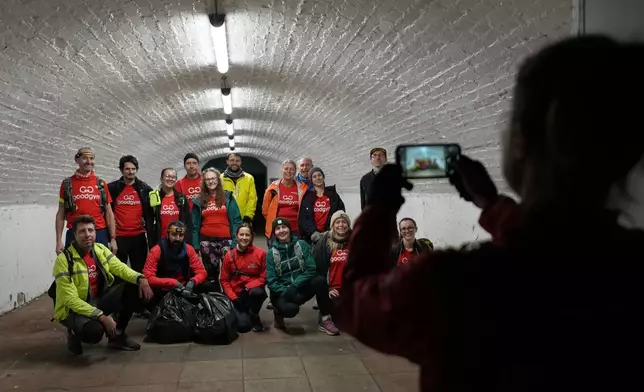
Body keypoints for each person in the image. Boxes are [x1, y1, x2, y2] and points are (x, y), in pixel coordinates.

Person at [336, 36, 644, 391]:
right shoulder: (631, 264)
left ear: (520, 144)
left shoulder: (455, 283)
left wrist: (379, 209)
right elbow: (556, 243)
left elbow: (355, 302)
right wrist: (493, 205)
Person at [52, 215, 153, 355]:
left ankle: (117, 335)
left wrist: (141, 278)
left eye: (90, 230)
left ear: (95, 232)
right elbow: (70, 300)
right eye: (82, 231)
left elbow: (120, 268)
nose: (87, 235)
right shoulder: (64, 260)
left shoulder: (99, 249)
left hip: (97, 299)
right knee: (93, 333)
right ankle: (74, 332)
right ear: (74, 235)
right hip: (74, 309)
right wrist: (102, 317)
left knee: (134, 286)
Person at [266, 217, 339, 335]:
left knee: (319, 281)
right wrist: (286, 290)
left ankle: (325, 318)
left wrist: (295, 285)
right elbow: (271, 281)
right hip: (283, 292)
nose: (281, 230)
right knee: (291, 309)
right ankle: (278, 313)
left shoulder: (302, 245)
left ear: (289, 229)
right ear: (274, 233)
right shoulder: (271, 254)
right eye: (278, 229)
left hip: (300, 287)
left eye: (284, 227)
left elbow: (311, 268)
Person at [55, 147, 117, 254]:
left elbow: (109, 213)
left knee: (101, 269)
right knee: (76, 268)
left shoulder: (101, 184)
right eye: (85, 158)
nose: (89, 161)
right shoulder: (66, 184)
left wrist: (113, 238)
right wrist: (58, 241)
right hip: (75, 234)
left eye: (92, 158)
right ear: (77, 160)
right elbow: (60, 214)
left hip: (99, 233)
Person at [191, 168, 242, 290]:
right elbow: (194, 225)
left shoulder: (227, 197)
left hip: (226, 242)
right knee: (212, 276)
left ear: (218, 180)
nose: (210, 181)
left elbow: (236, 220)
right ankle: (216, 301)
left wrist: (236, 241)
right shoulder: (199, 200)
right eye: (207, 179)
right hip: (206, 243)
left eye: (213, 178)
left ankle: (230, 301)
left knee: (230, 273)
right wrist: (195, 246)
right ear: (204, 182)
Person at [142, 220, 212, 297]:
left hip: (185, 288)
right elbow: (148, 277)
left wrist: (193, 282)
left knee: (207, 285)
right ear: (167, 235)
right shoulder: (156, 250)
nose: (177, 238)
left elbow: (202, 272)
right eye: (174, 235)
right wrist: (173, 283)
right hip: (163, 288)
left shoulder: (189, 249)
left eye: (181, 235)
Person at [220, 223, 268, 332]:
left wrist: (248, 287)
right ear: (236, 236)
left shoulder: (260, 254)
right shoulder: (229, 255)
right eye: (241, 235)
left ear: (252, 237)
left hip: (251, 292)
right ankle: (243, 313)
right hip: (235, 294)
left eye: (247, 235)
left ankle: (253, 313)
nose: (244, 238)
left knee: (258, 293)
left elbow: (264, 277)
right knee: (243, 327)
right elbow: (224, 280)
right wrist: (234, 298)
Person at [262, 159, 308, 245]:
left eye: (291, 169)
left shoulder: (302, 188)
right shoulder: (272, 189)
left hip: (296, 230)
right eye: (286, 169)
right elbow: (265, 211)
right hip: (277, 230)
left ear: (295, 171)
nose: (289, 171)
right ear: (281, 170)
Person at [312, 211, 351, 309]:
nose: (341, 225)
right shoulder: (324, 243)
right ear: (332, 225)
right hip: (332, 288)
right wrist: (328, 288)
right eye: (337, 222)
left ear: (348, 224)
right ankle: (324, 315)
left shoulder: (355, 240)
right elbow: (319, 270)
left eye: (344, 222)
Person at [299, 167, 346, 244]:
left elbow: (341, 212)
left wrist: (333, 230)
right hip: (313, 237)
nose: (317, 178)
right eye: (314, 176)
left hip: (331, 235)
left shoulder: (333, 195)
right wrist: (312, 232)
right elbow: (304, 218)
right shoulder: (307, 197)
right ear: (311, 180)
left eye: (319, 175)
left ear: (323, 177)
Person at [149, 168, 192, 247]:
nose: (170, 179)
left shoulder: (181, 198)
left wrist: (188, 242)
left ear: (176, 180)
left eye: (173, 177)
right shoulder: (155, 196)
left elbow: (188, 221)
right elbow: (150, 221)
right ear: (161, 179)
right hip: (161, 241)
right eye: (167, 176)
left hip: (178, 240)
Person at [221, 153, 258, 225]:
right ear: (227, 162)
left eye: (237, 161)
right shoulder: (220, 178)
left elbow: (252, 198)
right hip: (225, 219)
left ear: (241, 162)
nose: (234, 163)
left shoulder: (249, 178)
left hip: (244, 219)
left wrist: (248, 215)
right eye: (232, 160)